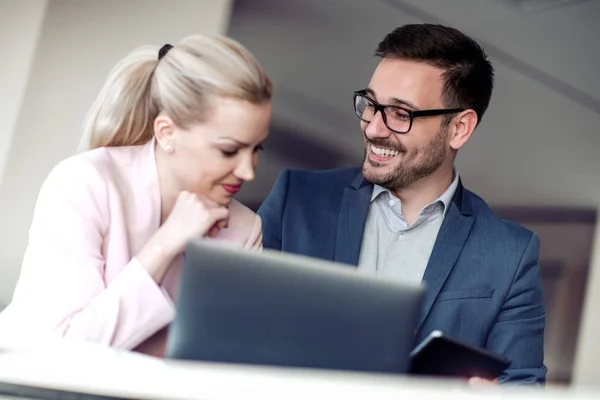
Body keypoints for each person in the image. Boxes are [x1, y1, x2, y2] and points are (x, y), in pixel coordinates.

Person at [258, 24, 546, 384]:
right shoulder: (296, 200)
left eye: (400, 113)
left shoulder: (510, 253)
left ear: (459, 128)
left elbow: (522, 384)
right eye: (371, 104)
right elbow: (234, 323)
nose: (375, 128)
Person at [0, 34, 272, 358]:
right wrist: (165, 243)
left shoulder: (244, 227)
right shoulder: (84, 183)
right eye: (230, 150)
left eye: (256, 149)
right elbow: (61, 351)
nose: (248, 171)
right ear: (167, 133)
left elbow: (233, 358)